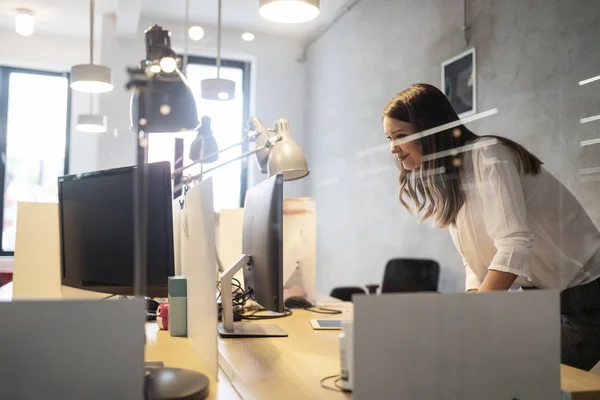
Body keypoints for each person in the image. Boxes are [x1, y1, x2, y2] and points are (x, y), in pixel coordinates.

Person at [382, 83, 600, 371]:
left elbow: (513, 244)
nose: (393, 149)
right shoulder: (449, 177)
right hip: (546, 298)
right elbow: (475, 261)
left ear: (430, 130)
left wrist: (474, 316)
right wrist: (472, 309)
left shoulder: (487, 154)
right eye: (388, 137)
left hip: (586, 294)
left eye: (400, 136)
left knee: (522, 380)